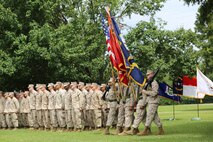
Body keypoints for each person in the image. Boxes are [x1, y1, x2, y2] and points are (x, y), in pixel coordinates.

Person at [138, 70, 164, 135]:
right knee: (155, 117)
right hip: (150, 101)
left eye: (148, 74)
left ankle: (145, 130)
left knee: (149, 115)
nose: (147, 76)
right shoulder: (148, 83)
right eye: (147, 75)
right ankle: (161, 130)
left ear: (152, 74)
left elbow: (155, 93)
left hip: (154, 101)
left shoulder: (154, 83)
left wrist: (145, 92)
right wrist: (144, 103)